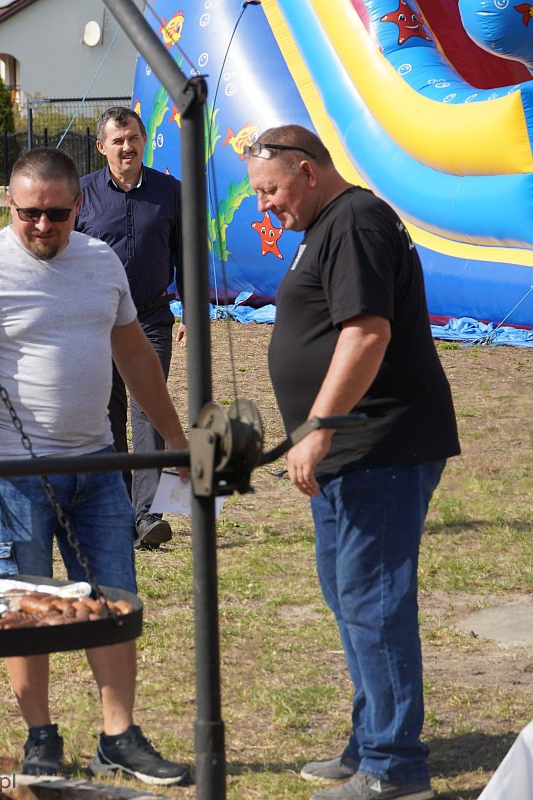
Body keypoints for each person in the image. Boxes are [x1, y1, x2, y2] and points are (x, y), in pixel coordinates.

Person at [0, 147, 191, 787]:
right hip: (15, 474)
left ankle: (119, 736)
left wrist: (174, 436)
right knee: (26, 606)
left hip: (98, 465)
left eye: (57, 213)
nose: (43, 226)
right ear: (9, 205)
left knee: (112, 602)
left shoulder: (101, 262)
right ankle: (41, 737)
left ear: (80, 205)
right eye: (30, 214)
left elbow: (135, 356)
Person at [247, 125, 459, 800]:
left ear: (307, 171)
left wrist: (319, 426)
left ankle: (394, 770)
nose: (264, 206)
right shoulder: (326, 224)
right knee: (350, 597)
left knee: (374, 602)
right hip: (350, 454)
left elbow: (367, 333)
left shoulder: (356, 221)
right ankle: (371, 742)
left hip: (380, 445)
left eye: (270, 190)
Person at [75, 106, 183, 550]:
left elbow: (187, 253)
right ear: (101, 147)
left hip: (151, 318)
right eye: (117, 140)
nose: (127, 147)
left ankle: (148, 514)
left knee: (149, 410)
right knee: (108, 414)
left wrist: (190, 311)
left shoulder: (170, 192)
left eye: (133, 138)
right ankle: (120, 510)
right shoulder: (82, 194)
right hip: (96, 322)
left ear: (144, 141)